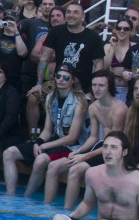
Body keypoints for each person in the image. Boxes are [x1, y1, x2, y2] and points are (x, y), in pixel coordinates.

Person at [36, 131, 139, 220]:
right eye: (105, 147)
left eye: (113, 147)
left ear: (125, 152)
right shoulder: (93, 173)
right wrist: (69, 218)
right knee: (59, 218)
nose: (107, 152)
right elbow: (87, 204)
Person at [47, 70, 127, 208]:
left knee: (75, 170)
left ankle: (67, 213)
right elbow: (93, 137)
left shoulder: (119, 109)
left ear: (110, 87)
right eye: (94, 85)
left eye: (101, 85)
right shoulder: (94, 107)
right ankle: (46, 209)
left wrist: (84, 157)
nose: (96, 89)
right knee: (55, 166)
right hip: (103, 146)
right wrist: (79, 152)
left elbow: (115, 144)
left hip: (118, 151)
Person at [6, 64, 88, 198]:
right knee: (9, 153)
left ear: (73, 81)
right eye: (58, 76)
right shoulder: (51, 97)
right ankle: (10, 197)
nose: (61, 80)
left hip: (72, 146)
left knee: (40, 160)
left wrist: (44, 146)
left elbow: (72, 138)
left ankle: (26, 198)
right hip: (55, 141)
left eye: (66, 78)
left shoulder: (79, 101)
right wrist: (38, 142)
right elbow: (47, 130)